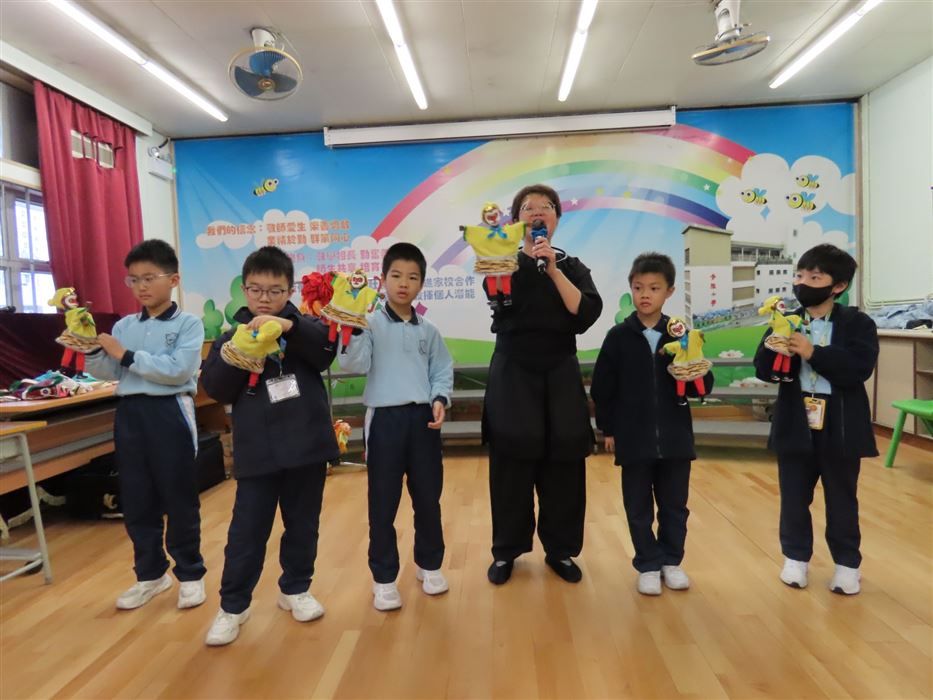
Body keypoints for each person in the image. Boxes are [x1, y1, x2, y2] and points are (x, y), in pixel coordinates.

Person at [200, 246, 340, 645]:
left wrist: (288, 328)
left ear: (289, 291)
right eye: (256, 289)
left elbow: (326, 353)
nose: (265, 298)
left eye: (275, 290)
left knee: (303, 525)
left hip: (306, 447)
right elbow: (216, 388)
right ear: (245, 290)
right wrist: (242, 352)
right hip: (258, 452)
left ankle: (296, 588)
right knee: (247, 532)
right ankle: (233, 606)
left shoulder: (305, 327)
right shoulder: (231, 338)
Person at [482, 183, 602, 585]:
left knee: (564, 464)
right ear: (516, 221)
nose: (537, 212)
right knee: (510, 466)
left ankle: (561, 550)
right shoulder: (502, 262)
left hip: (560, 373)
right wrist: (518, 263)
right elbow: (500, 303)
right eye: (528, 208)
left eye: (547, 207)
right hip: (514, 374)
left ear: (557, 219)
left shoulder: (571, 266)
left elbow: (585, 313)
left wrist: (552, 268)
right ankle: (506, 551)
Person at [85, 239, 207, 611]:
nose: (141, 286)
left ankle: (191, 574)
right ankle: (150, 575)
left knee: (178, 496)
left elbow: (178, 371)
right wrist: (91, 349)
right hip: (130, 413)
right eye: (133, 279)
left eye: (149, 278)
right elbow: (108, 371)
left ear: (173, 280)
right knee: (137, 497)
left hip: (170, 411)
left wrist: (126, 355)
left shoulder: (188, 324)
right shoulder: (124, 325)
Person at [753, 244, 878, 595]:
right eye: (799, 275)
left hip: (841, 424)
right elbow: (762, 368)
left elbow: (858, 369)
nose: (802, 282)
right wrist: (775, 350)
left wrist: (812, 352)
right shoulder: (787, 320)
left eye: (814, 277)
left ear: (838, 286)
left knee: (842, 498)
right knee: (794, 496)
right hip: (796, 421)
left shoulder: (858, 324)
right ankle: (795, 559)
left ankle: (847, 565)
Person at [339, 243, 454, 611]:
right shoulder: (370, 323)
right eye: (396, 276)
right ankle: (384, 578)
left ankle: (429, 565)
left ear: (421, 283)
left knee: (428, 498)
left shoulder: (429, 330)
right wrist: (354, 327)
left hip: (422, 421)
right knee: (383, 502)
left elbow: (441, 369)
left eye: (413, 277)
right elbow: (352, 365)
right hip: (384, 421)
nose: (404, 283)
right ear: (383, 279)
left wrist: (440, 397)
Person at [591, 253, 713, 595]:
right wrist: (608, 429)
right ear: (631, 289)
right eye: (638, 287)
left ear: (669, 292)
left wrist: (692, 369)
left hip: (675, 438)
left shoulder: (682, 335)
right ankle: (647, 563)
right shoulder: (618, 337)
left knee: (675, 506)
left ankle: (671, 560)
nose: (645, 294)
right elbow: (603, 388)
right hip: (634, 439)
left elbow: (703, 383)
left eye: (654, 288)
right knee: (638, 507)